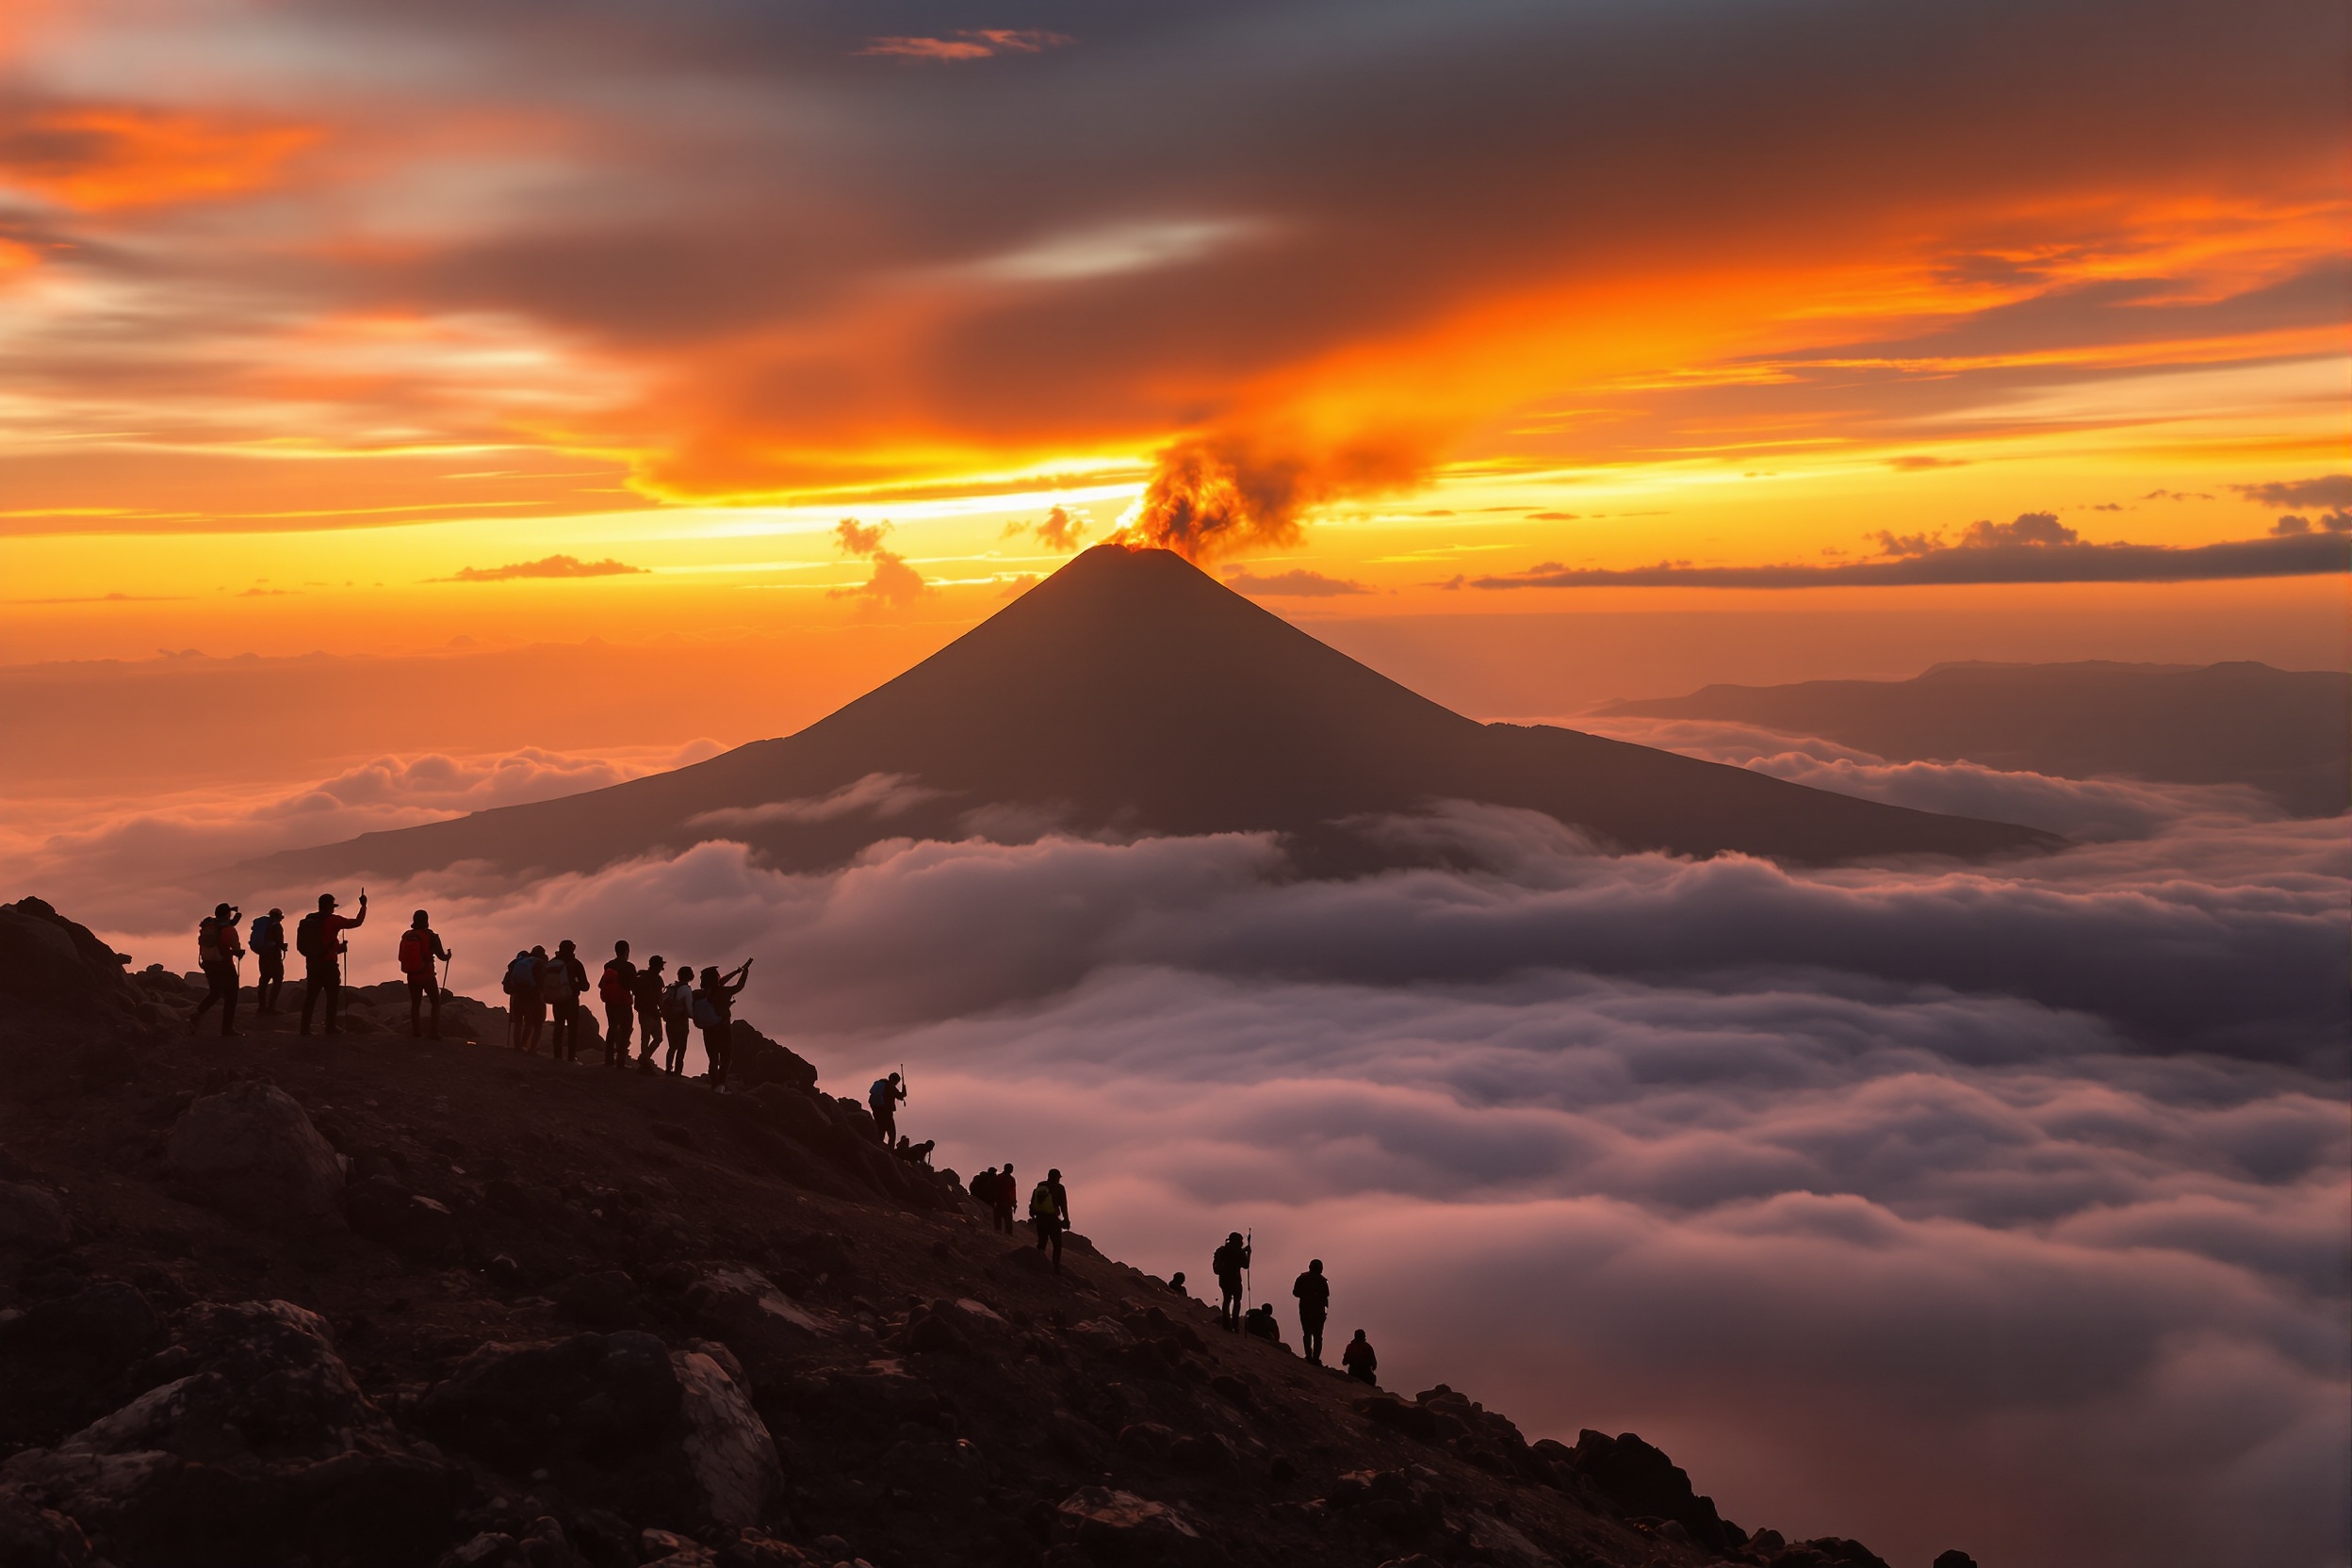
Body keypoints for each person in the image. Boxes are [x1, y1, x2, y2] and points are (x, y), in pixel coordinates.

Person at [295, 890, 366, 1037]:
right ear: (329, 906)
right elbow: (357, 922)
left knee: (311, 996)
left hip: (313, 963)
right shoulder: (333, 920)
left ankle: (304, 1028)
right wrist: (363, 906)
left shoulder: (309, 919)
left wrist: (338, 948)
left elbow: (322, 944)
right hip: (328, 965)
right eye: (333, 906)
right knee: (332, 996)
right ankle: (330, 1027)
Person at [188, 902, 244, 1037]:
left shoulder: (208, 926)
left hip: (208, 965)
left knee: (215, 993)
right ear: (227, 915)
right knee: (231, 996)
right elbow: (236, 948)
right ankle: (227, 1029)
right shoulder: (229, 930)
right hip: (225, 966)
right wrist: (239, 953)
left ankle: (196, 1014)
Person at [694, 960, 750, 1089]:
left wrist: (736, 972)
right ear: (716, 978)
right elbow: (740, 985)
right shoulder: (724, 992)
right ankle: (721, 1085)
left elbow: (719, 983)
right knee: (726, 1056)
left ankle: (714, 1085)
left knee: (713, 1059)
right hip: (723, 1028)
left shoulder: (698, 994)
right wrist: (745, 972)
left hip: (708, 1029)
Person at [397, 909, 450, 1039]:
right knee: (435, 1002)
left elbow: (400, 957)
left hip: (412, 975)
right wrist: (448, 956)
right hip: (427, 974)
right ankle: (434, 1033)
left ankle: (417, 1033)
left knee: (415, 1004)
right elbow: (442, 956)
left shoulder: (407, 936)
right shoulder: (431, 936)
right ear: (426, 920)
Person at [543, 939, 588, 1060]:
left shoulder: (553, 963)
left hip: (556, 999)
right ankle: (571, 1057)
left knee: (558, 1027)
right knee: (573, 1029)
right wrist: (576, 985)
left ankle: (557, 1056)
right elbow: (585, 986)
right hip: (571, 999)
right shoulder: (576, 964)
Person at [597, 940, 638, 1067]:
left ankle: (608, 1060)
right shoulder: (629, 966)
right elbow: (632, 985)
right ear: (626, 951)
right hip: (624, 1002)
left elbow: (601, 984)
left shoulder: (608, 965)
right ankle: (621, 1061)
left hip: (610, 1002)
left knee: (612, 1028)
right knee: (625, 1030)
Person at [1029, 1167, 1070, 1272]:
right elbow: (1063, 1205)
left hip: (1040, 1218)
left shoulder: (1041, 1185)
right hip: (1053, 1220)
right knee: (1057, 1244)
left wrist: (1033, 1215)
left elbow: (1034, 1201)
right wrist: (1066, 1219)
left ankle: (1038, 1264)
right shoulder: (1059, 1188)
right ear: (1057, 1177)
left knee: (1042, 1241)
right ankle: (1055, 1267)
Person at [631, 956, 668, 1071]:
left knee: (645, 1037)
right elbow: (659, 996)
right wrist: (663, 1009)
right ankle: (645, 1059)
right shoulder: (657, 979)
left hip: (642, 1011)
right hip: (653, 1011)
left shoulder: (641, 976)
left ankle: (644, 1058)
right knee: (658, 1038)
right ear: (659, 967)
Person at [1293, 1259, 1331, 1364]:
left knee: (1307, 1334)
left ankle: (1309, 1356)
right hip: (1318, 1311)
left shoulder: (1302, 1278)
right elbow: (1326, 1295)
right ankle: (1315, 1358)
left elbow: (1295, 1293)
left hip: (1306, 1309)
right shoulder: (1322, 1281)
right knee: (1317, 1336)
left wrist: (1306, 1295)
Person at [249, 907, 286, 1014]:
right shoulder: (276, 926)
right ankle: (271, 1007)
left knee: (264, 979)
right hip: (274, 956)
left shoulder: (263, 926)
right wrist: (283, 947)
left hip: (263, 956)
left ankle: (261, 1007)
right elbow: (279, 942)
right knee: (277, 980)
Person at [1214, 1232, 1251, 1331]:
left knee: (1227, 1300)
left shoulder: (1222, 1250)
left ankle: (1226, 1323)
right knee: (1236, 1301)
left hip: (1224, 1279)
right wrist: (1247, 1254)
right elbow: (1246, 1265)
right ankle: (1235, 1325)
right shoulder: (1238, 1252)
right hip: (1235, 1279)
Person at [662, 963, 695, 1074]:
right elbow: (689, 1009)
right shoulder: (686, 990)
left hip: (669, 1020)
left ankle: (668, 1069)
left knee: (672, 1047)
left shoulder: (671, 987)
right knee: (681, 1048)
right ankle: (678, 1071)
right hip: (681, 1022)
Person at [502, 949, 536, 1051]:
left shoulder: (513, 968)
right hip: (528, 996)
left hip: (515, 997)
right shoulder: (530, 966)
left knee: (518, 1022)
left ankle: (516, 1045)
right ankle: (524, 1044)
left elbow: (506, 987)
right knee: (528, 1021)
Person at [869, 1071, 906, 1145]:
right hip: (886, 1113)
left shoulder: (882, 1084)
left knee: (881, 1131)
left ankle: (879, 1147)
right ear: (894, 1080)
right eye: (897, 1081)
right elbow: (901, 1096)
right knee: (892, 1134)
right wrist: (904, 1088)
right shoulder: (891, 1087)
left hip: (876, 1112)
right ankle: (890, 1150)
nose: (896, 1083)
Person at [991, 1161, 1017, 1233]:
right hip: (1007, 1202)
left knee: (997, 1221)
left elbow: (993, 1189)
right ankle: (1008, 1234)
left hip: (998, 1201)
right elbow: (1012, 1192)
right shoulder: (1011, 1179)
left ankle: (998, 1233)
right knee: (1008, 1222)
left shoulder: (998, 1177)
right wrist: (1014, 1203)